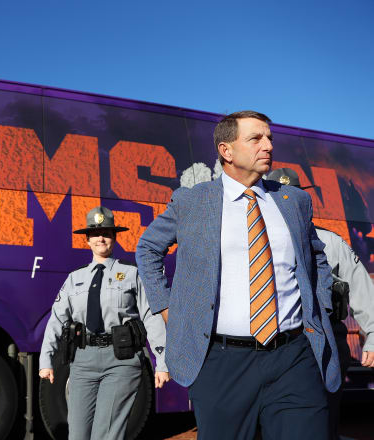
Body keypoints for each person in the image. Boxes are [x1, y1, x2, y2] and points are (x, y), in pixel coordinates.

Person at [136, 110, 340, 440]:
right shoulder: (192, 202)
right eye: (255, 138)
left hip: (293, 357)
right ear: (226, 151)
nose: (268, 145)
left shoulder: (293, 201)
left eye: (270, 138)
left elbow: (317, 258)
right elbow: (147, 249)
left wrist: (319, 311)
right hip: (221, 364)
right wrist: (166, 309)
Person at [39, 206, 170, 440]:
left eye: (107, 233)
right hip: (82, 361)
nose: (101, 238)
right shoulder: (74, 279)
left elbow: (151, 316)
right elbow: (56, 320)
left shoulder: (131, 274)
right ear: (87, 240)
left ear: (114, 238)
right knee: (77, 435)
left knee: (106, 434)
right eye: (96, 234)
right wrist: (46, 359)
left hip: (121, 361)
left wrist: (162, 361)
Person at [266, 167, 374, 439]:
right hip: (276, 345)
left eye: (295, 197)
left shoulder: (329, 241)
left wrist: (372, 336)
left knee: (323, 422)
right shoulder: (259, 244)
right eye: (281, 198)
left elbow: (362, 289)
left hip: (326, 344)